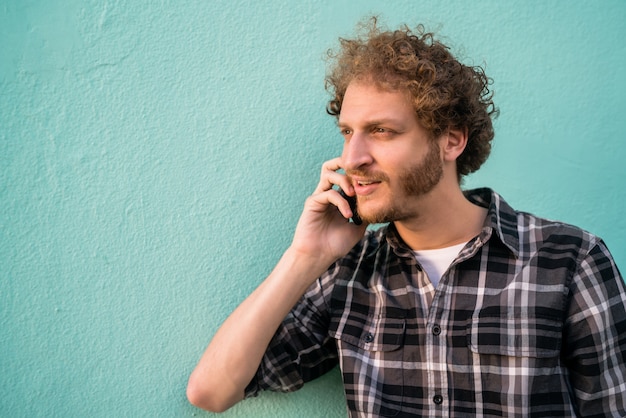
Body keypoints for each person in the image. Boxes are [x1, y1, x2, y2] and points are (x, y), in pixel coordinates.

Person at [187, 18, 626, 417]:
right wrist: (305, 254)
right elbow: (211, 391)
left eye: (382, 131)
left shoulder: (569, 260)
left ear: (451, 140)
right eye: (347, 132)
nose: (352, 158)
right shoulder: (350, 271)